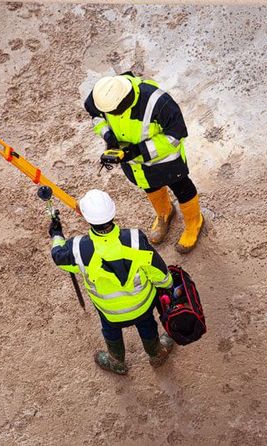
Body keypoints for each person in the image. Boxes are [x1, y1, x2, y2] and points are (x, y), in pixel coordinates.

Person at [49, 189, 175, 375]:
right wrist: (168, 287)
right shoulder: (135, 239)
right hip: (142, 305)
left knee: (110, 331)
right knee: (147, 326)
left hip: (109, 311)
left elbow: (59, 257)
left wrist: (57, 235)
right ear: (113, 212)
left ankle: (116, 360)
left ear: (86, 217)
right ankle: (156, 354)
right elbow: (159, 272)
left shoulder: (77, 249)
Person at [84, 72, 204, 253]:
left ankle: (194, 222)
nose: (111, 115)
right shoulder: (102, 96)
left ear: (125, 100)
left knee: (182, 188)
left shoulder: (159, 102)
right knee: (149, 185)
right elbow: (96, 116)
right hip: (135, 164)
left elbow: (175, 136)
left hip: (166, 160)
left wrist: (137, 151)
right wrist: (108, 135)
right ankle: (165, 212)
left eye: (113, 112)